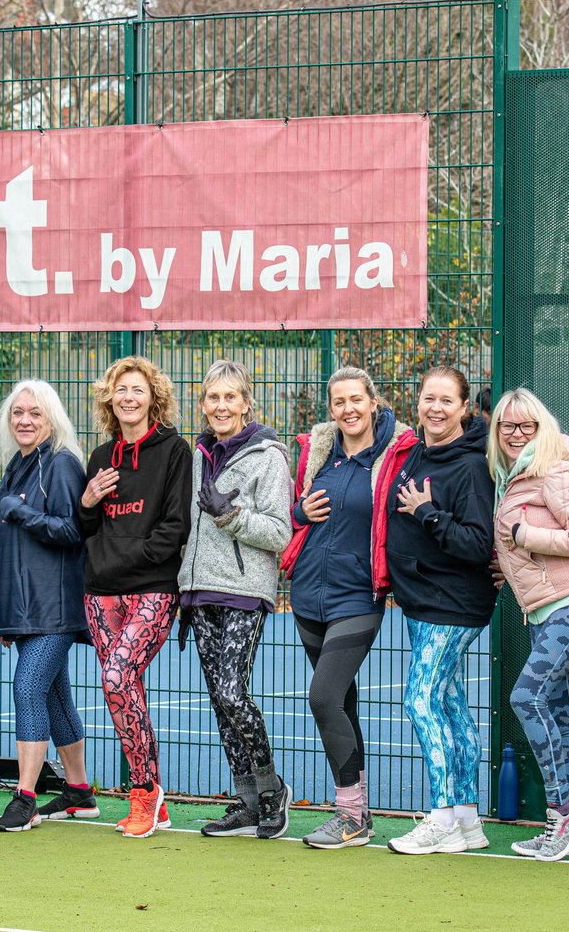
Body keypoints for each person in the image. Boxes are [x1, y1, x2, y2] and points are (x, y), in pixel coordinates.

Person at [281, 366, 417, 849]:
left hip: (359, 595)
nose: (348, 409)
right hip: (307, 596)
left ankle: (348, 813)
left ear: (373, 401)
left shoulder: (398, 454)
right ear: (331, 408)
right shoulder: (319, 455)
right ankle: (358, 816)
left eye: (356, 399)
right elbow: (290, 511)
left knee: (322, 697)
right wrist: (298, 513)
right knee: (342, 701)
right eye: (339, 402)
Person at [383, 366, 497, 856]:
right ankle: (469, 822)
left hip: (452, 604)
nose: (436, 408)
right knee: (450, 704)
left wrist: (429, 514)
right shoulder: (415, 455)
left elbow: (477, 544)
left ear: (465, 408)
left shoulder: (470, 467)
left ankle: (441, 814)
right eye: (429, 398)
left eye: (447, 401)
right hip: (419, 601)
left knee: (421, 700)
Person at [490, 388, 569, 862]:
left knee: (527, 697)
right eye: (508, 426)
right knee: (563, 713)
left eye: (526, 426)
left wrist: (524, 537)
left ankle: (563, 811)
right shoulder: (511, 477)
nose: (516, 434)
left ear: (542, 428)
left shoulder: (553, 471)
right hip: (545, 606)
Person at [179, 360, 294, 840]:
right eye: (213, 398)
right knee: (218, 701)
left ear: (247, 402)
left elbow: (281, 532)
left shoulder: (268, 456)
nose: (221, 406)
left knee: (232, 691)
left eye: (230, 397)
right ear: (203, 404)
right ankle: (246, 800)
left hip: (245, 591)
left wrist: (233, 515)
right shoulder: (198, 453)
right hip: (199, 589)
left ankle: (272, 790)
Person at [78, 356, 192, 839]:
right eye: (120, 389)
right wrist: (86, 502)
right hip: (101, 593)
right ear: (110, 398)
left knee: (117, 674)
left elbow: (174, 528)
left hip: (152, 590)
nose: (128, 397)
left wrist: (122, 557)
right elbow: (87, 529)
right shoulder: (101, 457)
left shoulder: (174, 452)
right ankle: (154, 798)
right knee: (125, 692)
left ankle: (143, 792)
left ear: (153, 397)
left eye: (137, 390)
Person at [0, 379, 98, 833]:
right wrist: (9, 615)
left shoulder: (63, 464)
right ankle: (79, 792)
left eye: (34, 412)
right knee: (53, 695)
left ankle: (25, 796)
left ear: (51, 417)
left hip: (55, 607)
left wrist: (20, 510)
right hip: (25, 608)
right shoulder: (17, 466)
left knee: (28, 687)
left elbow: (75, 532)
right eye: (17, 413)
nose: (25, 420)